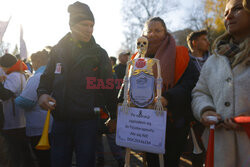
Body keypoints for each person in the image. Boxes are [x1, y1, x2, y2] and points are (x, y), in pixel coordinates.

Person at [37, 2, 117, 167]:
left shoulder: (99, 54)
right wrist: (42, 94)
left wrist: (114, 116)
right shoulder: (57, 51)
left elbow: (109, 86)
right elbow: (46, 79)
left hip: (87, 123)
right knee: (58, 162)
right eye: (85, 25)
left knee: (86, 163)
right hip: (60, 121)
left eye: (92, 25)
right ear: (72, 25)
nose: (89, 29)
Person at [130, 17, 199, 166]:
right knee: (152, 162)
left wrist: (167, 98)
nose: (152, 34)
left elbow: (190, 84)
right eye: (149, 30)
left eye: (157, 30)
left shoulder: (181, 53)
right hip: (145, 121)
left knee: (170, 161)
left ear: (165, 32)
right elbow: (127, 83)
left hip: (174, 121)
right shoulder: (137, 58)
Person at [192, 0, 250, 166]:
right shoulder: (213, 60)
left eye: (238, 9)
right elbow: (200, 93)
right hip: (220, 151)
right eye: (225, 13)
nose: (229, 16)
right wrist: (206, 110)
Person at [15, 49, 52, 167]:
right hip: (53, 125)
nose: (32, 65)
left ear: (38, 61)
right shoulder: (54, 76)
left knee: (44, 160)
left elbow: (26, 102)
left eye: (33, 62)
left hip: (40, 128)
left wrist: (16, 98)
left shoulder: (37, 78)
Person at [0, 53, 33, 167]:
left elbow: (5, 95)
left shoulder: (14, 75)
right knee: (22, 152)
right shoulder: (19, 74)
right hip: (18, 121)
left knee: (16, 154)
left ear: (5, 66)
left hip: (14, 122)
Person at [186, 29, 210, 167]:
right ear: (194, 43)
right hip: (194, 114)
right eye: (204, 39)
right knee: (198, 150)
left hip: (216, 110)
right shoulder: (185, 62)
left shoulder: (216, 59)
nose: (208, 42)